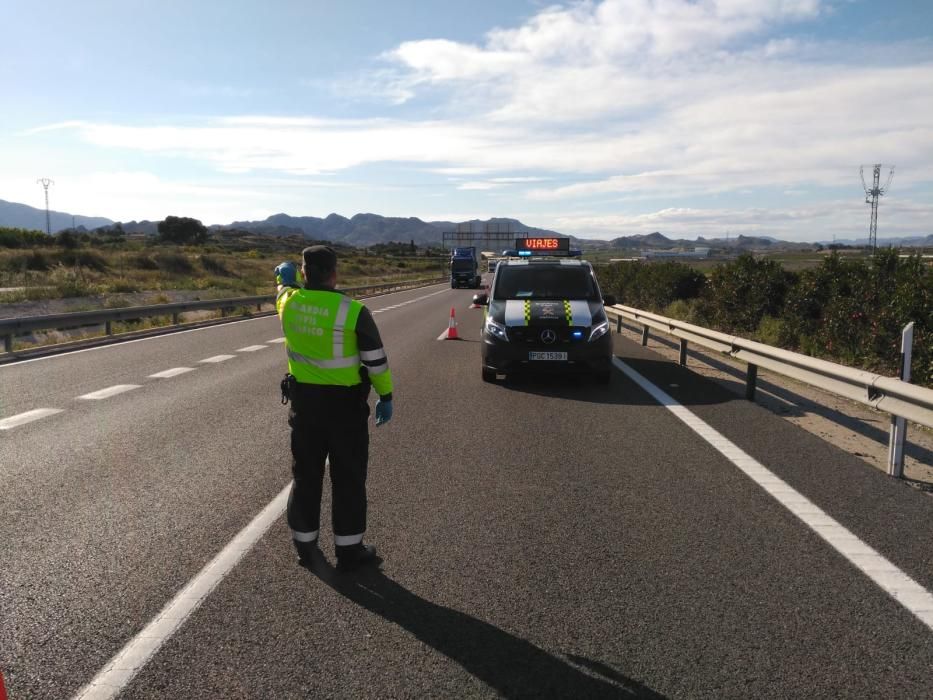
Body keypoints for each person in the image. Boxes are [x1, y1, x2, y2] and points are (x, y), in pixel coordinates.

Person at [274, 245, 394, 571]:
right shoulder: (354, 311)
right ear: (334, 274)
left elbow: (282, 290)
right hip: (345, 410)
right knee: (349, 478)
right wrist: (386, 396)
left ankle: (305, 546)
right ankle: (349, 551)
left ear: (304, 272)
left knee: (306, 476)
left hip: (305, 408)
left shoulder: (289, 305)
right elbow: (376, 363)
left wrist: (285, 280)